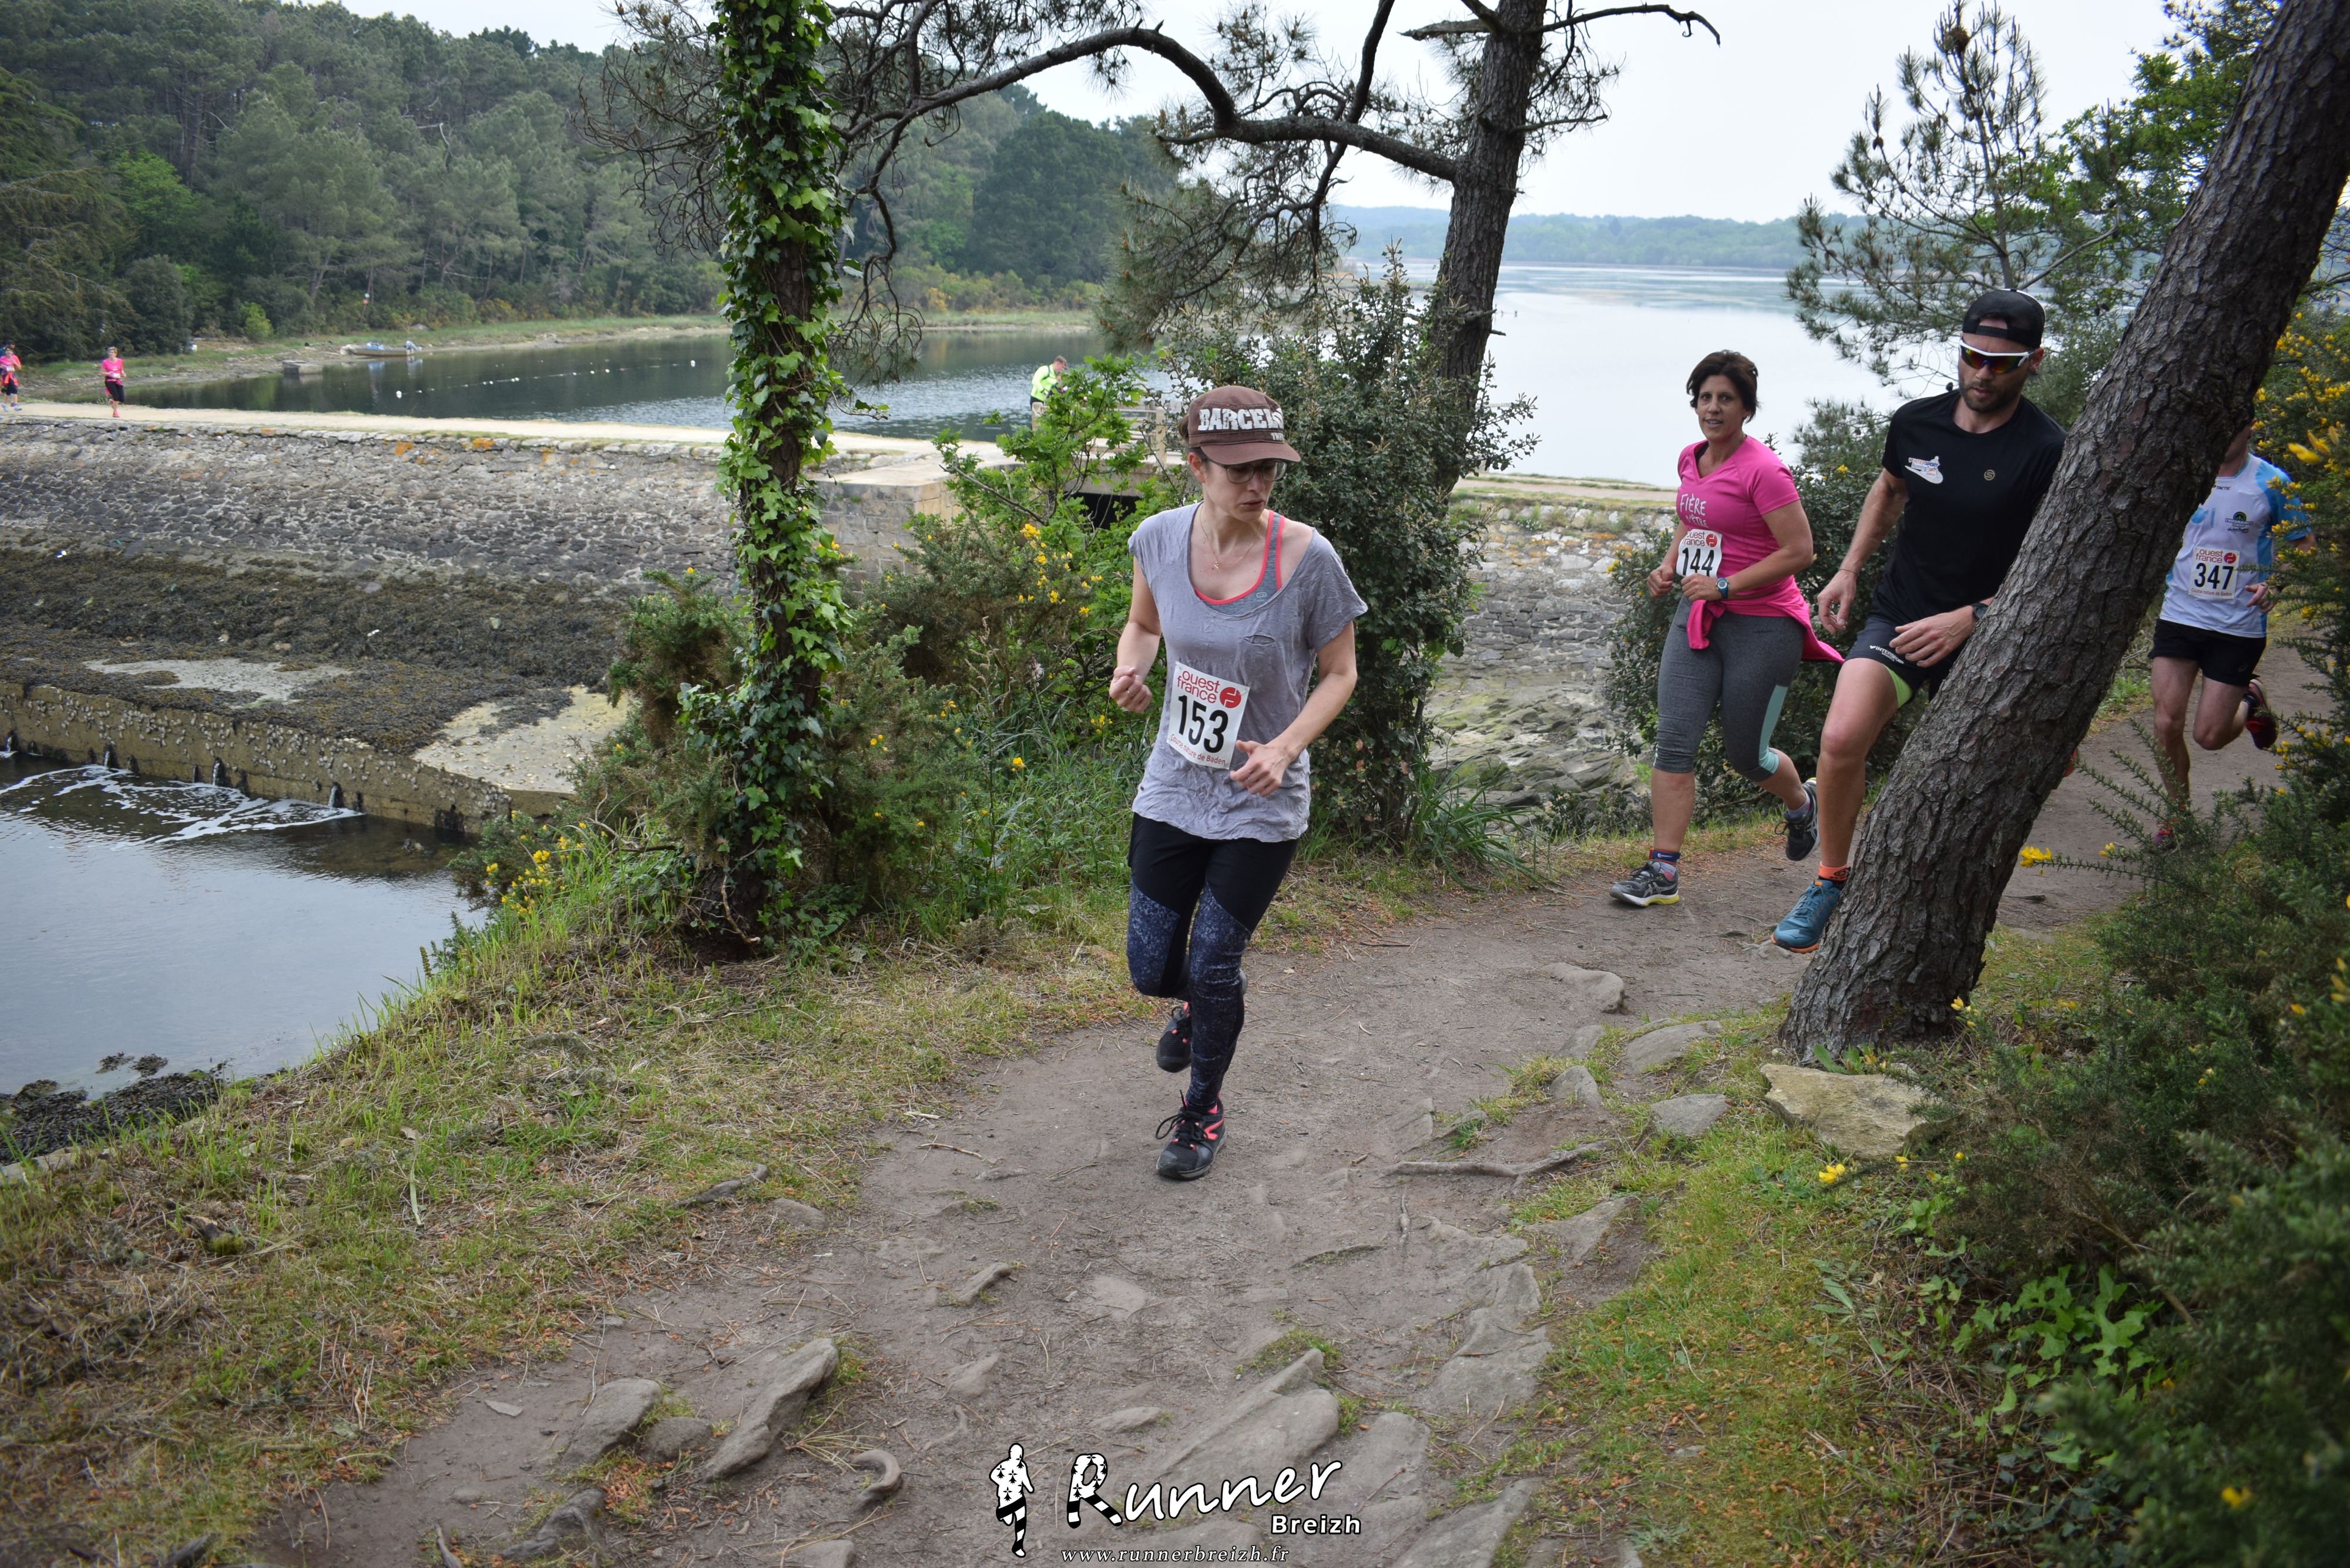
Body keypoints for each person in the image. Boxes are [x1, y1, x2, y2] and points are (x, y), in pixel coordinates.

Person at [1109, 384, 1364, 1180]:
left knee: (1216, 961)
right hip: (1176, 782)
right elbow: (1144, 624)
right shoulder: (1158, 539)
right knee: (1151, 967)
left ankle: (1201, 1109)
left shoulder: (1309, 560)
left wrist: (1285, 748)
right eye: (1238, 470)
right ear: (1196, 466)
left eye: (1269, 469)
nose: (1257, 484)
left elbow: (1341, 672)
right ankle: (1195, 1002)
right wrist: (1130, 668)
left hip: (1261, 793)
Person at [1773, 288, 2068, 953]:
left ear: (2035, 361)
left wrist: (1975, 616)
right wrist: (1850, 568)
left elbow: (2055, 564)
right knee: (1840, 736)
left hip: (1998, 631)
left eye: (2002, 363)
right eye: (1971, 357)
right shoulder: (1916, 423)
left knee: (1991, 776)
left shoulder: (2047, 449)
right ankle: (1831, 879)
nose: (1982, 374)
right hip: (1904, 615)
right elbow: (1890, 488)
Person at [1609, 350, 1841, 908]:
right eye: (1705, 397)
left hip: (1765, 626)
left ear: (1746, 408)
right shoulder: (1691, 459)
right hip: (1698, 618)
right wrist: (1669, 566)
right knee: (1674, 741)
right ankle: (1662, 871)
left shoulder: (1764, 470)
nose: (1713, 408)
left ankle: (1802, 803)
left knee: (1747, 755)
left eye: (1726, 399)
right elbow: (1693, 519)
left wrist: (1728, 585)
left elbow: (1800, 551)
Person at [2149, 421, 2311, 817]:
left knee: (2209, 736)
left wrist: (2277, 583)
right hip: (2181, 613)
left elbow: (2305, 545)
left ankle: (2250, 702)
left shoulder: (2271, 482)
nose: (2223, 433)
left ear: (2250, 428)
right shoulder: (2185, 475)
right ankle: (2179, 819)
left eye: (2234, 426)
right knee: (2166, 723)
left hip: (2238, 624)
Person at [1029, 354, 1067, 422]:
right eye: (1062, 367)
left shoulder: (1057, 375)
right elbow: (1035, 381)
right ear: (1057, 364)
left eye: (1064, 368)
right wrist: (1044, 392)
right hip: (1037, 399)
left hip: (1048, 403)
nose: (1063, 370)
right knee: (1037, 422)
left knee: (1047, 423)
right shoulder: (1045, 370)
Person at [99, 346, 126, 417]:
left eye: (112, 352)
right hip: (109, 381)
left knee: (122, 399)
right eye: (109, 352)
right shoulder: (105, 362)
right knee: (116, 397)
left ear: (115, 354)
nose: (110, 354)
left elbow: (121, 370)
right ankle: (115, 412)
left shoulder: (120, 361)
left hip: (118, 380)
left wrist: (123, 374)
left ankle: (113, 402)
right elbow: (101, 373)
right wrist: (109, 373)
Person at [0, 342, 22, 415]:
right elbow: (2, 367)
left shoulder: (15, 358)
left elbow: (20, 368)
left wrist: (15, 363)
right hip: (6, 375)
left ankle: (4, 404)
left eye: (10, 351)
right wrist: (2, 367)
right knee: (14, 389)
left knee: (9, 390)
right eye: (7, 351)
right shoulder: (2, 358)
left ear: (12, 352)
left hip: (13, 375)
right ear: (5, 352)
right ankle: (15, 405)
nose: (8, 352)